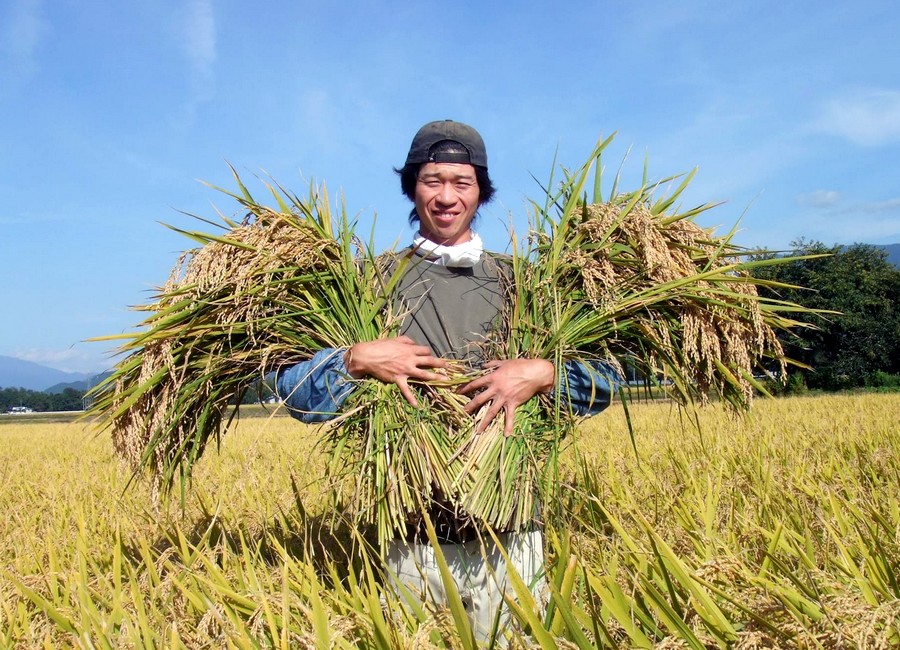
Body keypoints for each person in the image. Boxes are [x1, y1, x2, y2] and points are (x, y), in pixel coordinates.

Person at [276, 120, 617, 643]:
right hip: (412, 537)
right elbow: (294, 393)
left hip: (514, 534)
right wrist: (353, 359)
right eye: (432, 180)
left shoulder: (525, 281)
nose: (447, 196)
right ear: (412, 187)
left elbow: (607, 380)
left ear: (481, 191)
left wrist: (546, 373)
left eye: (462, 182)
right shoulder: (367, 282)